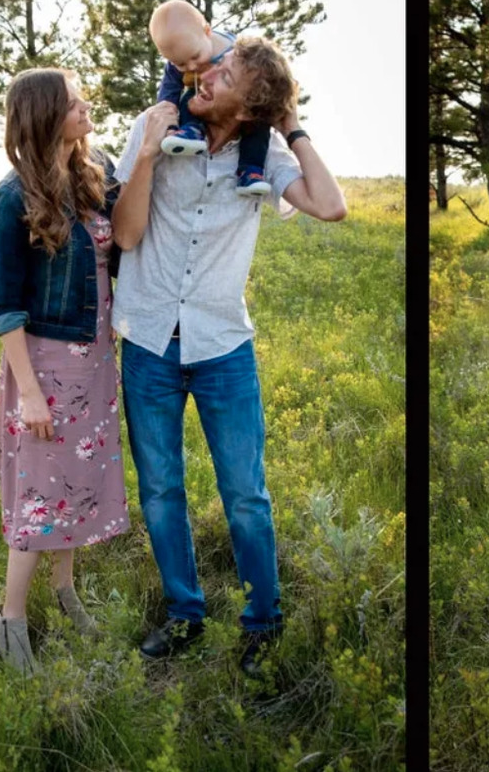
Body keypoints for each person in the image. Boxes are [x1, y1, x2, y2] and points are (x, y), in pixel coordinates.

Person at [110, 35, 346, 674]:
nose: (209, 73)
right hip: (149, 341)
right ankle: (185, 615)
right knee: (161, 489)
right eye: (215, 63)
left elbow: (331, 206)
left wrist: (290, 126)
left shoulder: (265, 152)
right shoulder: (154, 126)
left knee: (245, 493)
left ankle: (262, 623)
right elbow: (127, 234)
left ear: (250, 105)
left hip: (222, 347)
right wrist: (149, 156)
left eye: (228, 72)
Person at [0, 68, 130, 675]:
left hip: (95, 359)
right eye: (74, 103)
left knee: (75, 486)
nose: (86, 107)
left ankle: (66, 591)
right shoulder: (13, 197)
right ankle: (9, 620)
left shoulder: (92, 177)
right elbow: (7, 307)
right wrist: (31, 397)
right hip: (44, 365)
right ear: (46, 115)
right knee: (40, 497)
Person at [148, 0, 271, 197]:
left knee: (258, 124)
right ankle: (190, 131)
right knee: (189, 99)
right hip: (202, 97)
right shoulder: (181, 57)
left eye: (195, 57)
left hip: (239, 103)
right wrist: (167, 110)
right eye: (180, 64)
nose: (190, 67)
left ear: (207, 32)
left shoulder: (234, 50)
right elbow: (170, 87)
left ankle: (251, 170)